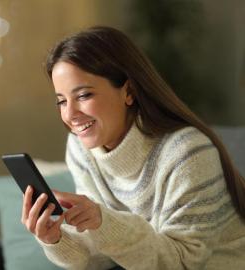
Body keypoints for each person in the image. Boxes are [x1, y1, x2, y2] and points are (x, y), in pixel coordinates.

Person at [21, 26, 245, 270]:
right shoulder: (80, 148)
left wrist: (103, 221)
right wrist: (55, 239)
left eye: (84, 95)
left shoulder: (187, 153)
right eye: (62, 101)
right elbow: (98, 258)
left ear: (128, 91)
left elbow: (182, 263)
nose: (70, 114)